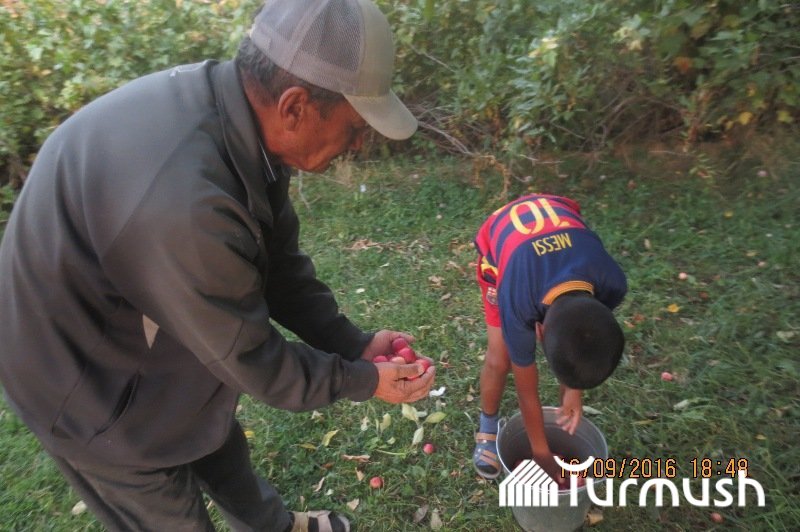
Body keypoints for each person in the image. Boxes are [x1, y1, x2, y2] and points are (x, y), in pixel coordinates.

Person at [0, 1, 434, 531]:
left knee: (211, 431)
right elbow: (252, 360)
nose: (360, 142)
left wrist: (350, 343)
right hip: (83, 381)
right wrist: (364, 380)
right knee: (164, 502)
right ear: (296, 107)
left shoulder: (244, 126)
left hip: (150, 313)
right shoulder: (187, 203)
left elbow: (278, 267)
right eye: (356, 125)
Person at [470, 193, 626, 485]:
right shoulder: (518, 300)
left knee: (573, 348)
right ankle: (487, 428)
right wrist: (541, 452)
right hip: (504, 248)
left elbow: (584, 332)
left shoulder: (613, 282)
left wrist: (574, 390)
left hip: (553, 233)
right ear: (538, 329)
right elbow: (526, 391)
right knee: (499, 358)